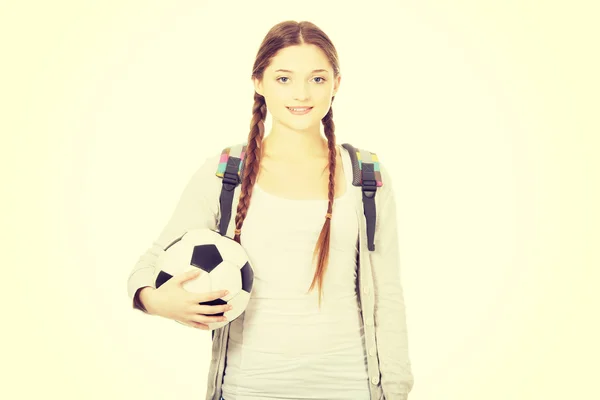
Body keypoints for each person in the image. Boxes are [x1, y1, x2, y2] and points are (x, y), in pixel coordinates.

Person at [127, 20, 414, 400]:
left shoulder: (366, 174)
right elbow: (148, 264)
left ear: (336, 84)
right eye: (283, 79)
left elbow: (388, 295)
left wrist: (395, 392)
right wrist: (158, 301)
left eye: (317, 79)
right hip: (248, 388)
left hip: (350, 386)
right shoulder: (226, 172)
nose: (301, 93)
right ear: (258, 82)